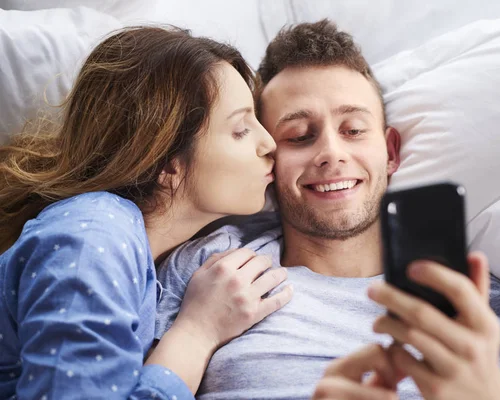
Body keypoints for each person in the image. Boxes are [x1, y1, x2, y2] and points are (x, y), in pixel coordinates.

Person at [155, 20, 500, 400]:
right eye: (298, 136)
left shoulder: (474, 306)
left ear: (391, 152)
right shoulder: (211, 271)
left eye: (353, 130)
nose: (332, 152)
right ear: (269, 161)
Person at [0, 26, 293, 399]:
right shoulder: (92, 241)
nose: (269, 143)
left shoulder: (135, 247)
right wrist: (196, 332)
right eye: (240, 130)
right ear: (166, 162)